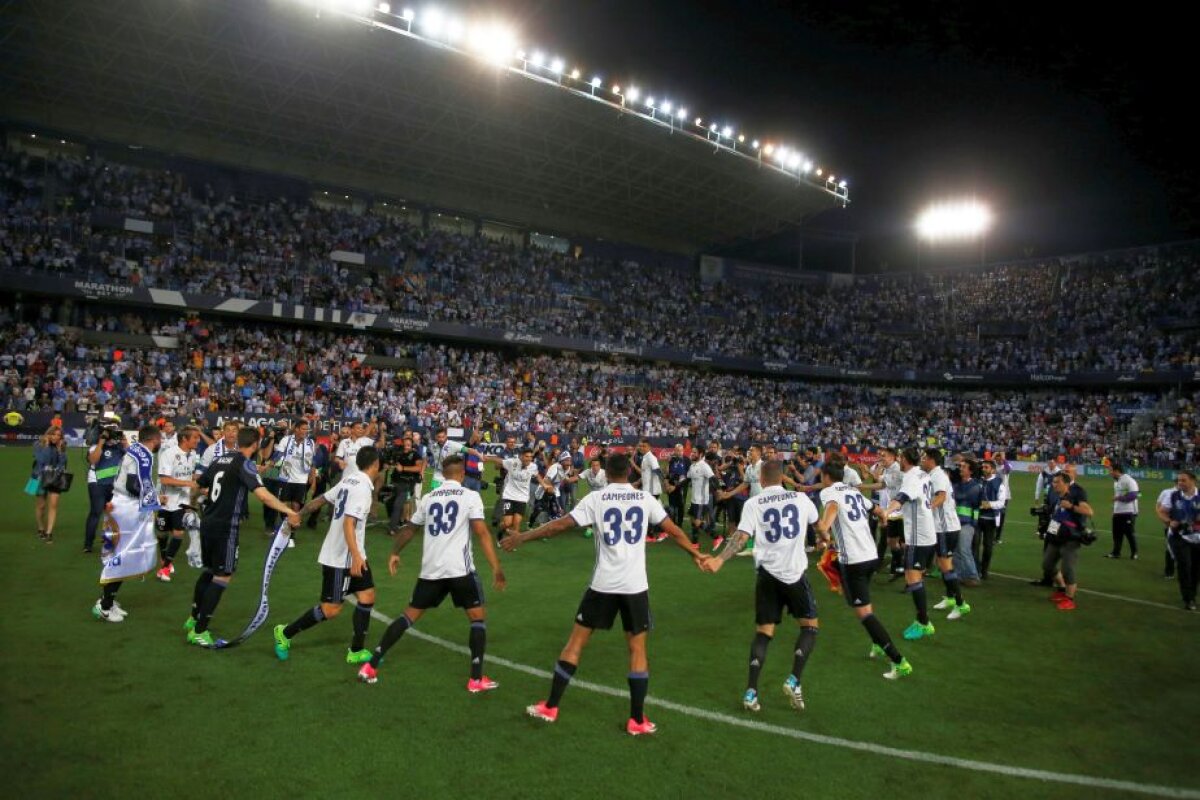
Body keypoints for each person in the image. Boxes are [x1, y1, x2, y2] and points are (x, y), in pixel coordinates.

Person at [502, 453, 706, 735]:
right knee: (637, 650)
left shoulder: (597, 499)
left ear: (607, 473)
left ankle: (550, 706)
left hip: (603, 585)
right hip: (635, 587)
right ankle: (637, 720)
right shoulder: (644, 498)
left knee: (575, 644)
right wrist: (695, 554)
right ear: (628, 473)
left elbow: (560, 525)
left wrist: (522, 536)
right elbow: (672, 530)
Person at [358, 456, 506, 689]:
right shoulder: (470, 496)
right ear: (461, 475)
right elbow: (482, 533)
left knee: (408, 616)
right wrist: (496, 567)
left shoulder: (429, 497)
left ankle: (371, 665)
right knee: (477, 619)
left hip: (431, 571)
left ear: (444, 474)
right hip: (460, 570)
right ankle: (476, 679)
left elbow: (410, 529)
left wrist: (395, 552)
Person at [704, 460, 821, 711]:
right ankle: (794, 680)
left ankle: (751, 692)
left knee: (764, 632)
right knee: (810, 627)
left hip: (767, 574)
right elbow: (817, 524)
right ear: (783, 477)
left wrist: (719, 560)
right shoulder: (800, 499)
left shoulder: (753, 503)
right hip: (795, 573)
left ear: (761, 479)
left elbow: (740, 538)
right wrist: (824, 539)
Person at [186, 427, 302, 648]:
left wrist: (191, 506)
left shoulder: (221, 458)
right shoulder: (243, 462)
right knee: (223, 575)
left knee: (210, 571)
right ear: (256, 444)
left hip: (208, 521)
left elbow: (199, 485)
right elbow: (262, 495)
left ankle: (193, 617)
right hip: (226, 526)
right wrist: (288, 512)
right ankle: (200, 630)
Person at [273, 446, 383, 663]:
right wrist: (355, 556)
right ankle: (284, 633)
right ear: (376, 464)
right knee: (331, 610)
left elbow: (322, 499)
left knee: (367, 596)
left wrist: (299, 514)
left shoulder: (349, 480)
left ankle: (356, 650)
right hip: (340, 557)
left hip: (353, 554)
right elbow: (349, 524)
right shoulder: (361, 488)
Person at [813, 461, 913, 680]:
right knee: (861, 602)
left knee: (864, 613)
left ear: (827, 476)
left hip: (854, 560)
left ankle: (898, 660)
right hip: (870, 556)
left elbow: (826, 520)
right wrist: (884, 519)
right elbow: (877, 510)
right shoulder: (852, 491)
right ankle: (877, 644)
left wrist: (822, 533)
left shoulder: (829, 493)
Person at [93, 424, 163, 621]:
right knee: (123, 555)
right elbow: (133, 485)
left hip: (120, 505)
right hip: (126, 509)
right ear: (154, 439)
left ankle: (107, 600)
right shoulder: (144, 454)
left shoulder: (135, 450)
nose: (161, 443)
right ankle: (104, 606)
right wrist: (156, 498)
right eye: (160, 440)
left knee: (120, 553)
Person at [880, 448, 938, 641]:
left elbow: (902, 498)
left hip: (918, 536)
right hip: (923, 532)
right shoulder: (922, 474)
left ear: (904, 460)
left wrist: (886, 512)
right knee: (912, 576)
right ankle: (922, 620)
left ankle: (923, 623)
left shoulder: (911, 477)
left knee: (913, 578)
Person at [922, 448, 971, 622]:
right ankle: (950, 598)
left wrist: (926, 510)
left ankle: (960, 603)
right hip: (941, 527)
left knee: (945, 565)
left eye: (924, 458)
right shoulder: (933, 475)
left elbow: (941, 497)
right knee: (943, 563)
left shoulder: (938, 476)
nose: (922, 460)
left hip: (946, 527)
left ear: (931, 460)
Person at [1039, 472, 1094, 611]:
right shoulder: (1058, 497)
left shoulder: (1075, 495)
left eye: (1057, 482)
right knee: (1047, 565)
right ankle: (1062, 588)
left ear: (1066, 483)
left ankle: (1069, 599)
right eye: (1053, 482)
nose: (1054, 484)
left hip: (1071, 538)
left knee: (1067, 569)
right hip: (1055, 536)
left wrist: (1071, 507)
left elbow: (1089, 512)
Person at [154, 425, 201, 581]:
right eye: (195, 437)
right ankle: (163, 558)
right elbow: (164, 479)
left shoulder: (193, 455)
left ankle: (166, 567)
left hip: (182, 502)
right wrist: (187, 484)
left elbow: (190, 474)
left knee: (178, 533)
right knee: (162, 533)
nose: (198, 440)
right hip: (165, 500)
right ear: (184, 439)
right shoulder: (169, 454)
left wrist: (200, 482)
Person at [483, 447, 548, 541]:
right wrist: (487, 458)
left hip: (522, 498)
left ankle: (512, 541)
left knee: (516, 523)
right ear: (521, 456)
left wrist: (544, 485)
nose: (529, 459)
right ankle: (500, 533)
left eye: (531, 457)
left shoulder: (533, 466)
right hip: (509, 496)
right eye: (527, 456)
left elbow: (537, 475)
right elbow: (500, 460)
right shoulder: (512, 462)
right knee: (507, 523)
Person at [1157, 470, 1199, 610]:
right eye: (1179, 480)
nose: (1180, 483)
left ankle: (1192, 593)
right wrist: (1169, 522)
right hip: (1179, 537)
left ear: (1193, 481)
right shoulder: (1173, 496)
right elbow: (1162, 511)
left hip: (1197, 538)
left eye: (1183, 480)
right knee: (1184, 567)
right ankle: (1188, 598)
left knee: (1195, 569)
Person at [273, 419, 317, 550]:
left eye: (306, 429)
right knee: (283, 505)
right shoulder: (286, 440)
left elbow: (313, 461)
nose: (305, 432)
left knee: (296, 506)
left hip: (301, 479)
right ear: (296, 429)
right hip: (286, 477)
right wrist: (269, 465)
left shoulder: (310, 443)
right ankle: (284, 529)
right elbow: (278, 455)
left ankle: (291, 535)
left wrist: (312, 477)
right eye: (303, 429)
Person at [83, 417, 126, 553]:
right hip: (97, 482)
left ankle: (108, 542)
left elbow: (133, 458)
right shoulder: (96, 445)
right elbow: (93, 460)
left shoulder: (119, 446)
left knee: (111, 513)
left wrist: (124, 441)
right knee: (96, 512)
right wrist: (102, 440)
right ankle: (88, 544)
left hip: (114, 484)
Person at [32, 425, 69, 543]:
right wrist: (47, 446)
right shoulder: (38, 444)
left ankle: (49, 533)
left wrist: (60, 451)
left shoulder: (61, 447)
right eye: (54, 434)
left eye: (58, 435)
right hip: (39, 477)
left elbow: (63, 464)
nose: (56, 437)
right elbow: (41, 461)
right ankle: (41, 527)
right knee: (41, 506)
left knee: (53, 505)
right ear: (48, 434)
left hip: (55, 478)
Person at [875, 448, 906, 579]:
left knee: (904, 542)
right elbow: (878, 480)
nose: (882, 458)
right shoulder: (888, 469)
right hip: (893, 510)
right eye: (881, 455)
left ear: (893, 457)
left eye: (884, 456)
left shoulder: (898, 469)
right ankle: (898, 564)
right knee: (891, 541)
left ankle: (903, 567)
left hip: (903, 510)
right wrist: (880, 466)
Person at [952, 459, 983, 585]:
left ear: (970, 471)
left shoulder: (975, 487)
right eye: (960, 466)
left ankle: (972, 576)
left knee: (964, 550)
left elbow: (976, 506)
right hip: (956, 521)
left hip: (967, 523)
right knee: (956, 550)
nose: (961, 468)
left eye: (964, 467)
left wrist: (974, 522)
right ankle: (959, 575)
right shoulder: (958, 485)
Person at [976, 460, 1008, 579]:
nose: (983, 469)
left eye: (986, 467)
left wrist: (988, 504)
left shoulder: (998, 483)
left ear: (993, 470)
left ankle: (984, 570)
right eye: (983, 466)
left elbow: (1001, 502)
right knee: (974, 544)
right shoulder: (978, 481)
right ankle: (975, 568)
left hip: (991, 519)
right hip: (977, 518)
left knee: (988, 546)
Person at [387, 434, 425, 534]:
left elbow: (418, 468)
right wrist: (390, 464)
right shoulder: (398, 453)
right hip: (395, 482)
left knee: (398, 504)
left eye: (408, 444)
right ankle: (397, 521)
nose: (406, 446)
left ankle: (392, 528)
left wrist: (403, 468)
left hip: (407, 482)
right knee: (389, 502)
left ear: (412, 445)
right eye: (405, 444)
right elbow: (393, 462)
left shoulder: (416, 454)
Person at [1106, 462, 1141, 560]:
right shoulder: (1116, 481)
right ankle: (1116, 552)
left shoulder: (1129, 480)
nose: (1109, 472)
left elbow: (1134, 495)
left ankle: (1134, 553)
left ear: (1116, 471)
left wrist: (1118, 498)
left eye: (1110, 470)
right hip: (1118, 512)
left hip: (1129, 512)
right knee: (1116, 533)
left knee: (1129, 533)